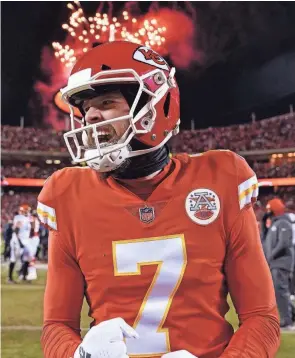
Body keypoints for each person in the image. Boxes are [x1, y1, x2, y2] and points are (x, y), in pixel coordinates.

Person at [37, 41, 280, 358]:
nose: (91, 116)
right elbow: (56, 326)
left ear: (155, 106)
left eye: (107, 102)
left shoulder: (221, 178)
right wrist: (79, 355)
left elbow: (261, 318)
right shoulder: (67, 194)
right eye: (85, 108)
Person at [263, 198, 295, 330]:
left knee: (281, 290)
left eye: (270, 210)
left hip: (281, 262)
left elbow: (283, 243)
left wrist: (269, 257)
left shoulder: (284, 223)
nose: (268, 213)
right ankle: (291, 315)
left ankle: (287, 320)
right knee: (279, 291)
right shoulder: (274, 224)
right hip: (275, 263)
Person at [8, 204, 31, 283]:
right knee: (13, 259)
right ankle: (10, 278)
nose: (28, 211)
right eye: (26, 210)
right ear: (22, 211)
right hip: (17, 242)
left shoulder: (26, 218)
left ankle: (23, 276)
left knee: (27, 259)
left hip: (25, 241)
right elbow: (16, 230)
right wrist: (20, 242)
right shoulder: (20, 218)